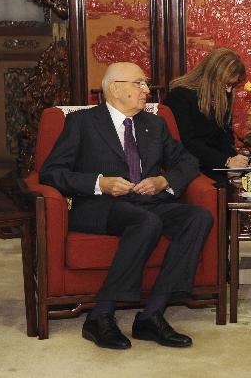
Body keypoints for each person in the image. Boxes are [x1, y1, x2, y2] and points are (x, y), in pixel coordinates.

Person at [40, 62, 213, 350]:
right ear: (114, 88)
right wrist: (100, 183)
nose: (147, 90)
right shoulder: (82, 122)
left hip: (149, 201)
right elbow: (51, 172)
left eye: (145, 84)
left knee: (198, 216)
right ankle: (100, 315)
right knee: (146, 222)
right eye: (139, 83)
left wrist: (162, 181)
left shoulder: (155, 124)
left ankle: (151, 315)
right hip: (99, 205)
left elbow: (187, 162)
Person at [164, 48, 249, 184]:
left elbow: (224, 135)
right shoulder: (180, 96)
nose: (229, 90)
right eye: (227, 84)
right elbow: (188, 142)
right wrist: (226, 161)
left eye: (233, 85)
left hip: (215, 166)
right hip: (189, 167)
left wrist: (234, 158)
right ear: (213, 75)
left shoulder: (223, 95)